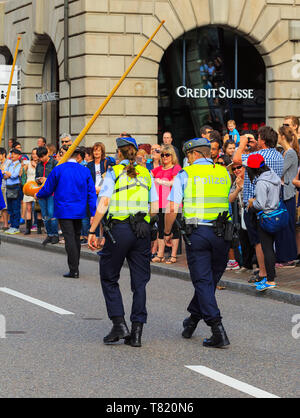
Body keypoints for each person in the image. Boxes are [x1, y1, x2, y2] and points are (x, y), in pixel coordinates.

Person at [88, 137, 159, 347]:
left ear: (118, 153)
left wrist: (92, 230)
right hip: (142, 230)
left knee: (109, 276)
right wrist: (147, 222)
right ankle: (137, 331)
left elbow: (104, 202)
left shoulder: (114, 172)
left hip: (119, 230)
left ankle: (119, 324)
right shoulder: (147, 174)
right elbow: (155, 206)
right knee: (140, 283)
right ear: (136, 152)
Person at [165, 138, 231, 348]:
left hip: (198, 234)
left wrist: (167, 231)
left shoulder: (185, 174)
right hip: (223, 234)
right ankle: (192, 320)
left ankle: (217, 329)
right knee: (209, 282)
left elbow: (173, 208)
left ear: (193, 155)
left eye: (188, 156)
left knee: (203, 282)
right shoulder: (223, 173)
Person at [36, 148, 97, 278]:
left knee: (69, 238)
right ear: (78, 157)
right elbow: (91, 193)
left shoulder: (58, 169)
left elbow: (47, 188)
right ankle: (75, 267)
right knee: (76, 236)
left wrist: (38, 194)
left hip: (64, 209)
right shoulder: (85, 170)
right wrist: (93, 212)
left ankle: (73, 269)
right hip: (80, 209)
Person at [233, 126, 284, 283]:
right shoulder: (279, 156)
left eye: (258, 137)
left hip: (255, 203)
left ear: (262, 140)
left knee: (258, 242)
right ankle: (268, 271)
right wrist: (255, 146)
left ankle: (263, 272)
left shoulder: (257, 155)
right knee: (269, 241)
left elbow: (236, 160)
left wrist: (242, 144)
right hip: (274, 203)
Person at [247, 154, 281, 291]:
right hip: (276, 215)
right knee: (271, 248)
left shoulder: (261, 182)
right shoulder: (273, 175)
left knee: (267, 249)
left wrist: (251, 204)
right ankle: (270, 278)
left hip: (265, 217)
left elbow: (260, 204)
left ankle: (270, 280)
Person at [152, 145, 182, 264]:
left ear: (172, 156)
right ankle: (160, 254)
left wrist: (162, 182)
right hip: (159, 203)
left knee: (174, 229)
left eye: (167, 155)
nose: (165, 157)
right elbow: (149, 176)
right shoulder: (158, 169)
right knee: (160, 228)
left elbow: (174, 183)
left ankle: (173, 255)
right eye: (163, 155)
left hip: (173, 203)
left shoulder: (176, 168)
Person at [274, 126, 299, 268]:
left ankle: (288, 257)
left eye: (279, 134)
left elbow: (280, 170)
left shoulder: (290, 153)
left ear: (283, 136)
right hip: (282, 191)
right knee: (283, 224)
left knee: (287, 224)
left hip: (288, 192)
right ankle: (284, 255)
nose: (277, 137)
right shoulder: (284, 152)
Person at [229, 162, 255, 273]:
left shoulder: (251, 178)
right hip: (241, 213)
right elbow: (230, 199)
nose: (236, 170)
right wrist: (238, 188)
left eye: (239, 167)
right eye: (234, 169)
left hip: (253, 212)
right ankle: (246, 265)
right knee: (243, 239)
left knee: (254, 239)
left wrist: (243, 186)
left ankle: (257, 265)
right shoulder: (236, 181)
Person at [36, 146, 59, 245]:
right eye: (39, 157)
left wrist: (47, 179)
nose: (41, 159)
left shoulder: (54, 163)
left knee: (51, 214)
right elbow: (35, 178)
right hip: (41, 192)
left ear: (47, 154)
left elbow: (57, 177)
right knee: (45, 215)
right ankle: (49, 234)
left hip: (52, 193)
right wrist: (38, 179)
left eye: (42, 157)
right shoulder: (39, 165)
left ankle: (55, 235)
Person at [3, 149, 22, 234]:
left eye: (14, 154)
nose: (12, 155)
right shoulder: (10, 164)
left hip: (15, 187)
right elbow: (4, 176)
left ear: (18, 156)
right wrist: (7, 173)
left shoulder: (18, 164)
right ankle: (12, 226)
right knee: (10, 208)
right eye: (12, 154)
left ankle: (16, 227)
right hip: (8, 187)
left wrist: (6, 173)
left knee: (15, 207)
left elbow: (14, 175)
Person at [22, 148, 39, 235]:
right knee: (28, 208)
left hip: (37, 187)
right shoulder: (27, 164)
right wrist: (22, 167)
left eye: (36, 153)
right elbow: (21, 174)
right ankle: (28, 228)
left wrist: (36, 166)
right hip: (29, 187)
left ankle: (39, 228)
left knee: (39, 209)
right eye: (32, 154)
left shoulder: (40, 164)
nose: (34, 155)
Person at [0, 148, 10, 231]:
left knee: (5, 206)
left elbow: (8, 175)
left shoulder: (8, 163)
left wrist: (3, 172)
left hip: (6, 186)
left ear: (3, 154)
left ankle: (6, 224)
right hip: (1, 186)